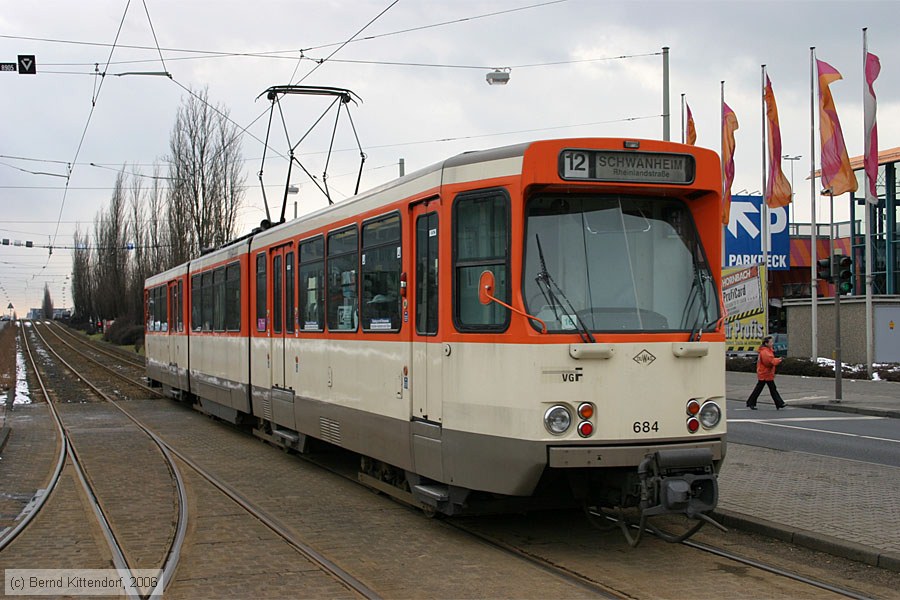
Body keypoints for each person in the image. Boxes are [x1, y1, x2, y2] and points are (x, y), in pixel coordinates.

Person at [746, 336, 786, 410]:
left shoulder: (767, 350)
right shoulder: (765, 352)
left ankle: (751, 402)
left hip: (765, 373)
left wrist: (776, 360)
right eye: (771, 342)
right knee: (771, 389)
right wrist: (778, 360)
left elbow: (770, 360)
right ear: (766, 343)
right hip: (765, 373)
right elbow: (768, 362)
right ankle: (779, 403)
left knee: (763, 388)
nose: (772, 343)